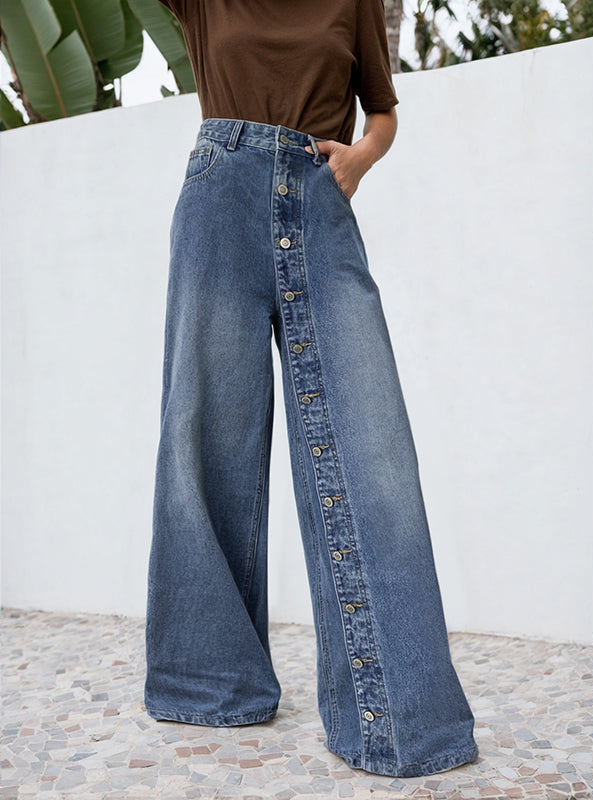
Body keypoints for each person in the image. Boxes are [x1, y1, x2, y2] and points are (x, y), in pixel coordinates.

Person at [144, 0, 479, 779]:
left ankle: (398, 720)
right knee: (204, 442)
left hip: (319, 202)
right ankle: (209, 683)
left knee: (371, 449)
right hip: (218, 203)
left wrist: (358, 161)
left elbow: (383, 113)